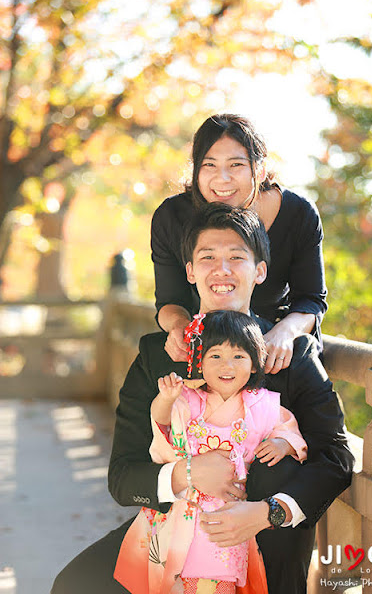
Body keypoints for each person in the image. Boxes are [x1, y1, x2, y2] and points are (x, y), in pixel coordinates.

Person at [51, 204, 353, 594]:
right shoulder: (157, 356)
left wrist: (268, 512)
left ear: (259, 271)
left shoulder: (289, 352)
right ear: (190, 271)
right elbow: (123, 477)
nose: (221, 270)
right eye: (207, 257)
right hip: (176, 528)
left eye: (236, 258)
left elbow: (336, 456)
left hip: (265, 538)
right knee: (76, 584)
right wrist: (186, 473)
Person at [113, 311, 308, 594]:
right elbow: (163, 424)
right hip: (185, 506)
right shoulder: (188, 400)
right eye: (215, 356)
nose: (226, 365)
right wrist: (165, 399)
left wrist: (282, 444)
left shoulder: (264, 406)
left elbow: (289, 431)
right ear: (199, 363)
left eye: (239, 357)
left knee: (216, 579)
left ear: (255, 364)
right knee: (174, 577)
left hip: (229, 512)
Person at [151, 113, 328, 372]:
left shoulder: (298, 214)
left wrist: (285, 332)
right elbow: (169, 301)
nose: (222, 178)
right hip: (201, 349)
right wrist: (180, 328)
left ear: (260, 169)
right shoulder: (171, 217)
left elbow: (311, 299)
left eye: (235, 165)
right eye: (209, 165)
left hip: (274, 353)